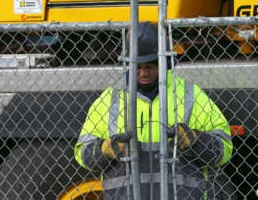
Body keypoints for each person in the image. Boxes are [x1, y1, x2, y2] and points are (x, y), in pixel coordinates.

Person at [75, 21, 233, 199]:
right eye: (138, 66)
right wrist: (106, 149)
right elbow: (82, 154)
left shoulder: (191, 95)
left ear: (164, 64)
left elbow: (224, 150)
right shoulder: (110, 100)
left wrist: (196, 141)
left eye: (149, 66)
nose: (142, 73)